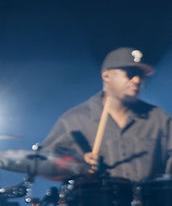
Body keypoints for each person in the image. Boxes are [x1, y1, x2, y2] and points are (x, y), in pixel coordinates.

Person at [40, 47, 172, 181]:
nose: (137, 80)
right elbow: (43, 164)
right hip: (94, 194)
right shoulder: (74, 120)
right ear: (106, 76)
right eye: (130, 74)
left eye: (141, 76)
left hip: (149, 195)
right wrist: (77, 166)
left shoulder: (159, 119)